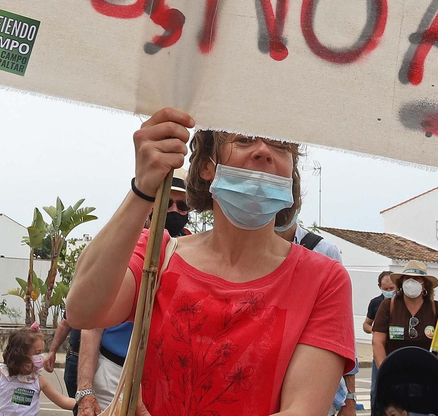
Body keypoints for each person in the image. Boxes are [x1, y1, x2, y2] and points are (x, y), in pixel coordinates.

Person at [65, 108, 354, 416]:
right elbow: (83, 310)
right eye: (244, 139)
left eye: (281, 145)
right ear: (206, 167)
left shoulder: (323, 279)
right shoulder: (158, 254)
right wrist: (143, 188)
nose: (264, 152)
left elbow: (303, 410)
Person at [75, 172, 193, 414]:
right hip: (113, 371)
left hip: (163, 377)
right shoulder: (129, 246)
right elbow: (93, 324)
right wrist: (85, 390)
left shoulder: (193, 248)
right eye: (167, 202)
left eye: (182, 205)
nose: (174, 210)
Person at [277, 208, 355, 416]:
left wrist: (350, 397)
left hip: (314, 376)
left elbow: (341, 330)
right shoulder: (251, 248)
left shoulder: (323, 250)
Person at [0, 327, 77, 416]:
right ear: (20, 355)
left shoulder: (39, 381)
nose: (41, 357)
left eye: (41, 352)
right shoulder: (1, 377)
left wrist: (84, 403)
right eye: (37, 353)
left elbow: (63, 401)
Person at [371, 261, 438, 366]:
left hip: (427, 373)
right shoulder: (388, 306)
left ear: (425, 285)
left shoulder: (436, 309)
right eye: (407, 278)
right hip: (394, 371)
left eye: (416, 279)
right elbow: (378, 342)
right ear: (401, 283)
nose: (411, 282)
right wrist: (385, 370)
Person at [366, 272, 398, 414]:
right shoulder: (375, 303)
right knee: (376, 389)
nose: (389, 291)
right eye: (386, 288)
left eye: (392, 288)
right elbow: (366, 324)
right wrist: (376, 330)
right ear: (380, 287)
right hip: (379, 352)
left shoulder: (402, 302)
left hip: (397, 352)